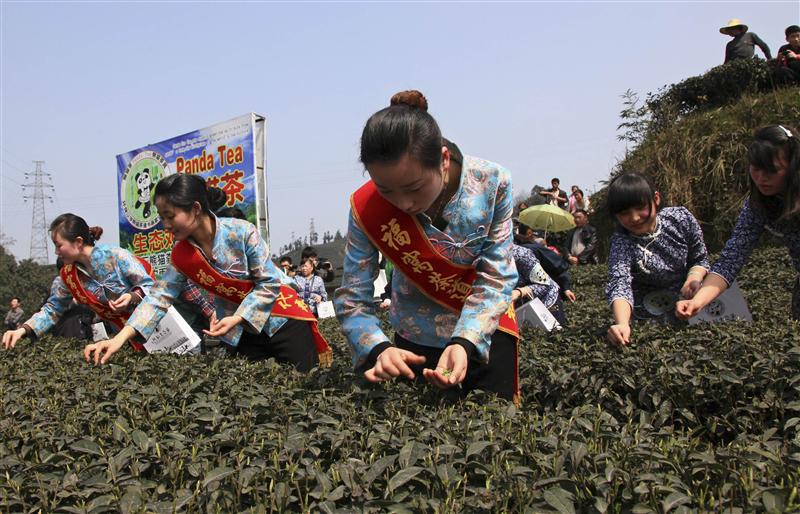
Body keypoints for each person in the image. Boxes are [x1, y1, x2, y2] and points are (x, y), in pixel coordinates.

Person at [334, 89, 520, 402]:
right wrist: (379, 348)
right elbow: (353, 296)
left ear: (443, 160)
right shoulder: (365, 208)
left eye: (414, 188)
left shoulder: (492, 183)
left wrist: (464, 341)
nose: (403, 203)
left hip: (484, 332)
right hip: (413, 343)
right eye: (386, 191)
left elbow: (496, 277)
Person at [83, 174, 331, 370]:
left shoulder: (242, 232)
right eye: (162, 217)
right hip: (242, 334)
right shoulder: (182, 255)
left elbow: (268, 284)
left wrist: (237, 316)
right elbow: (158, 298)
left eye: (170, 216)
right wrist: (119, 339)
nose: (166, 225)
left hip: (283, 321)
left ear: (196, 208)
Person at [677, 125, 800, 321]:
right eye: (756, 169)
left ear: (793, 167)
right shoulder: (757, 206)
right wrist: (697, 302)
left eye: (772, 170)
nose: (761, 178)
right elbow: (731, 259)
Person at [2, 214, 156, 350]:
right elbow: (52, 309)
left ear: (78, 242)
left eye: (59, 245)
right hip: (123, 338)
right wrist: (22, 330)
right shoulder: (68, 276)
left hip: (157, 325)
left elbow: (151, 287)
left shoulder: (115, 256)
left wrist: (132, 296)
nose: (56, 252)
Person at [605, 173, 709, 346]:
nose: (634, 218)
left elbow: (699, 258)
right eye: (624, 213)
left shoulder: (680, 219)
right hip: (649, 311)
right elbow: (620, 283)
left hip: (691, 301)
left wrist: (693, 279)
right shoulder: (621, 241)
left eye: (640, 208)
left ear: (656, 199)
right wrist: (622, 323)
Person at [511, 244, 566, 326]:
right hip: (518, 307)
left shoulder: (521, 254)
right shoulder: (486, 256)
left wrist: (519, 292)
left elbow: (545, 284)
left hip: (546, 303)